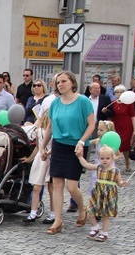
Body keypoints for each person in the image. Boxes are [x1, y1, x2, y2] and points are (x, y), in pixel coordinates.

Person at [39, 71, 95, 234]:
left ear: (72, 83)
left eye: (63, 81)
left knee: (71, 186)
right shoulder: (55, 103)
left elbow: (92, 124)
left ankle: (82, 208)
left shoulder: (83, 101)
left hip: (76, 145)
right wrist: (43, 146)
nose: (60, 85)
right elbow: (50, 126)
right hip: (58, 145)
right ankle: (58, 220)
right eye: (58, 83)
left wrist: (82, 141)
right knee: (56, 184)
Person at [77, 145, 128, 242]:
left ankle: (104, 233)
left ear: (112, 158)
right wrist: (80, 157)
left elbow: (119, 182)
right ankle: (95, 227)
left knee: (105, 214)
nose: (105, 160)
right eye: (102, 158)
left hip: (108, 195)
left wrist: (122, 183)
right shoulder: (99, 167)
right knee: (90, 211)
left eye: (107, 158)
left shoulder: (115, 171)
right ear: (99, 159)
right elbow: (87, 165)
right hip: (97, 193)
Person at [23, 110, 53, 224]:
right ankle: (33, 212)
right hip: (40, 159)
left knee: (52, 188)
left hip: (50, 158)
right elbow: (37, 147)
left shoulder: (55, 131)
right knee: (36, 187)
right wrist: (30, 159)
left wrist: (47, 153)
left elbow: (54, 145)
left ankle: (53, 213)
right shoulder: (38, 131)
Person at [109, 85, 135, 171]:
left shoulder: (129, 104)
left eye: (121, 92)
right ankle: (111, 164)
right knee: (115, 145)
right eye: (117, 92)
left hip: (126, 126)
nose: (119, 94)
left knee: (125, 145)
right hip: (116, 125)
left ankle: (127, 161)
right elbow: (110, 115)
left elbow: (133, 117)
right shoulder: (113, 103)